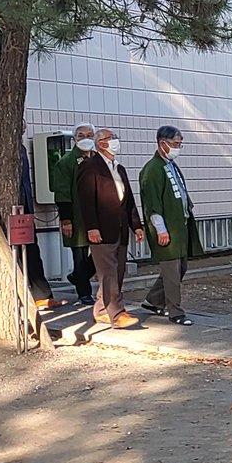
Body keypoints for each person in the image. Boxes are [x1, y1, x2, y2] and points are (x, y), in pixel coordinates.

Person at [0, 121, 62, 309]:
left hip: (24, 208)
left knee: (32, 251)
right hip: (4, 210)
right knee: (9, 253)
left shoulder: (21, 149)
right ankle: (13, 297)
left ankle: (42, 294)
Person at [76, 128, 143, 329]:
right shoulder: (90, 167)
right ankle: (117, 312)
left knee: (118, 270)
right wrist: (92, 227)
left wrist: (136, 225)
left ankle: (102, 310)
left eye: (114, 138)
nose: (114, 141)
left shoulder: (119, 168)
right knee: (108, 272)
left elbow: (128, 200)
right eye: (110, 138)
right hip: (101, 228)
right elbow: (86, 200)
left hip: (120, 227)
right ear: (100, 143)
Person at [139, 125, 202, 326]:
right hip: (166, 228)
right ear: (162, 143)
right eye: (175, 144)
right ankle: (175, 312)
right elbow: (152, 204)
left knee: (180, 267)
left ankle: (153, 300)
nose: (178, 148)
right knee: (172, 271)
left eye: (180, 144)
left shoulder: (170, 165)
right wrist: (160, 229)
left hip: (179, 225)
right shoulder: (152, 169)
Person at [53, 123, 98, 305]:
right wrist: (66, 219)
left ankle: (78, 276)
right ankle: (84, 293)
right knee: (79, 253)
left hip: (98, 214)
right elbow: (62, 192)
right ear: (74, 138)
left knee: (102, 251)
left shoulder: (98, 159)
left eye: (90, 135)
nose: (86, 138)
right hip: (77, 215)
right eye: (81, 135)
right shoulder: (66, 162)